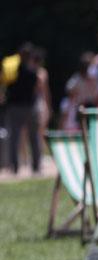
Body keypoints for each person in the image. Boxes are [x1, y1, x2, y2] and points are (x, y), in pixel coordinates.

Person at [6, 43, 43, 175]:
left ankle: (14, 167)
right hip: (30, 107)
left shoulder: (11, 72)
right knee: (34, 138)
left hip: (15, 107)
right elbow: (38, 88)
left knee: (14, 138)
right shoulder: (34, 72)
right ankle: (36, 167)